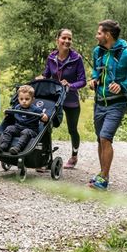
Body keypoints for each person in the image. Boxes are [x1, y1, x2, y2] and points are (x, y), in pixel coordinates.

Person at [88, 19, 127, 190]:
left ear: (108, 35)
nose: (96, 36)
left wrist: (123, 85)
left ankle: (103, 179)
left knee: (106, 137)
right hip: (99, 102)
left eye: (99, 33)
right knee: (100, 140)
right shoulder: (98, 51)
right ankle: (103, 174)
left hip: (116, 104)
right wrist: (94, 79)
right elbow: (96, 70)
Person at [38, 28, 86, 168]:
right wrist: (41, 77)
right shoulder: (51, 58)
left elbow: (82, 80)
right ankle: (45, 158)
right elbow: (47, 74)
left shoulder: (77, 59)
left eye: (69, 38)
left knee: (72, 129)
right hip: (55, 98)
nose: (67, 41)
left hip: (71, 99)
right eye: (64, 38)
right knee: (46, 125)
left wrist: (70, 85)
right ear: (57, 40)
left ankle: (74, 156)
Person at [0, 85, 48, 154]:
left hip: (31, 130)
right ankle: (4, 145)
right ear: (18, 99)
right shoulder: (17, 107)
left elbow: (44, 118)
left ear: (32, 99)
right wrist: (7, 112)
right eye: (21, 99)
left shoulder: (36, 109)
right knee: (9, 128)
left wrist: (45, 117)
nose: (24, 101)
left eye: (27, 99)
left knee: (26, 132)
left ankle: (17, 148)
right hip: (18, 128)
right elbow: (12, 113)